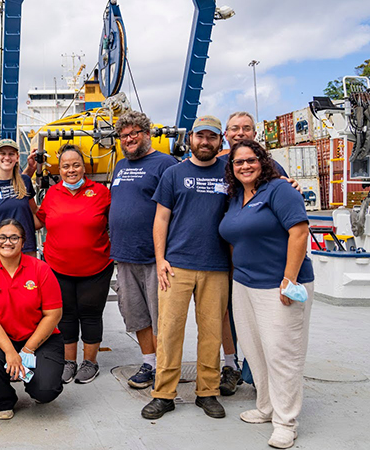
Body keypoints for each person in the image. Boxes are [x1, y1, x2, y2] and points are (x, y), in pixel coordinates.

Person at [219, 139, 314, 449]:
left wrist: (289, 279)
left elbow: (299, 232)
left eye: (251, 160)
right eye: (238, 162)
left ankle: (286, 422)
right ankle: (266, 406)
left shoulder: (280, 190)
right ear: (231, 169)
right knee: (255, 349)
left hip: (278, 285)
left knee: (282, 353)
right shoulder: (236, 198)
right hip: (244, 284)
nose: (245, 166)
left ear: (262, 161)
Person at [141, 115, 230, 420]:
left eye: (212, 137)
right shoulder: (174, 174)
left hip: (217, 265)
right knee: (169, 331)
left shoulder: (230, 172)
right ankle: (164, 393)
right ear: (190, 138)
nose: (206, 142)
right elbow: (161, 219)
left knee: (211, 333)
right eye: (201, 136)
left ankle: (208, 391)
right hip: (176, 265)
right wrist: (161, 258)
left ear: (220, 141)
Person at [217, 111, 298, 396]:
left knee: (269, 329)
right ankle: (232, 367)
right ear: (226, 134)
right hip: (228, 259)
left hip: (267, 267)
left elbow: (293, 217)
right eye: (234, 128)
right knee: (233, 317)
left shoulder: (272, 169)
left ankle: (259, 380)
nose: (240, 133)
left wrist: (290, 276)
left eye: (246, 128)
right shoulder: (217, 165)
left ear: (255, 133)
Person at [34, 145, 114, 385]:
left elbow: (116, 221)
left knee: (90, 314)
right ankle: (69, 362)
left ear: (84, 167)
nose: (71, 170)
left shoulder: (100, 192)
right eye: (66, 166)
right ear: (59, 169)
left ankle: (90, 363)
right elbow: (38, 221)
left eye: (76, 164)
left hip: (96, 266)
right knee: (65, 315)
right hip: (58, 267)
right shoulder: (52, 194)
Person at [110, 111, 178, 389]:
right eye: (124, 136)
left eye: (135, 133)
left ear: (148, 134)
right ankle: (149, 362)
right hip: (125, 256)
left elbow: (176, 209)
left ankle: (166, 365)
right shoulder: (120, 166)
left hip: (155, 257)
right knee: (136, 314)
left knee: (162, 315)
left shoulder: (166, 164)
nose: (129, 139)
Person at [0, 219, 64, 419]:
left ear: (23, 242)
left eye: (14, 237)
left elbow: (54, 314)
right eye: (2, 237)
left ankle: (35, 383)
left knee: (46, 391)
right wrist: (10, 352)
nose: (8, 242)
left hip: (39, 339)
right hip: (2, 338)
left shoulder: (40, 269)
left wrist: (27, 350)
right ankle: (3, 398)